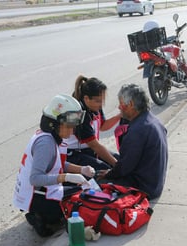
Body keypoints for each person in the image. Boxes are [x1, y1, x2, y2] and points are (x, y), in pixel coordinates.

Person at [13, 94, 96, 237]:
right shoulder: (45, 143)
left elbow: (58, 163)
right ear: (55, 124)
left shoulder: (51, 137)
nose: (72, 131)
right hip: (35, 196)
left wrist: (82, 170)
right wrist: (66, 177)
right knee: (81, 198)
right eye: (69, 127)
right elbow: (36, 178)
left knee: (85, 189)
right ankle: (40, 217)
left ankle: (44, 213)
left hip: (40, 192)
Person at [98, 84, 168, 200]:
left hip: (144, 187)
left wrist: (108, 173)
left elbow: (124, 167)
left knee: (95, 183)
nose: (119, 108)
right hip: (153, 182)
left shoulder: (137, 130)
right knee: (106, 155)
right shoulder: (153, 121)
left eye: (121, 104)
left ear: (130, 104)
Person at [64, 75, 121, 171]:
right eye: (98, 101)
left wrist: (120, 116)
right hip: (72, 155)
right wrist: (117, 166)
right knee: (106, 171)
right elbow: (95, 145)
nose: (101, 104)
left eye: (102, 100)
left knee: (121, 160)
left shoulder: (95, 107)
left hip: (89, 150)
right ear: (86, 98)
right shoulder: (77, 114)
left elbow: (102, 126)